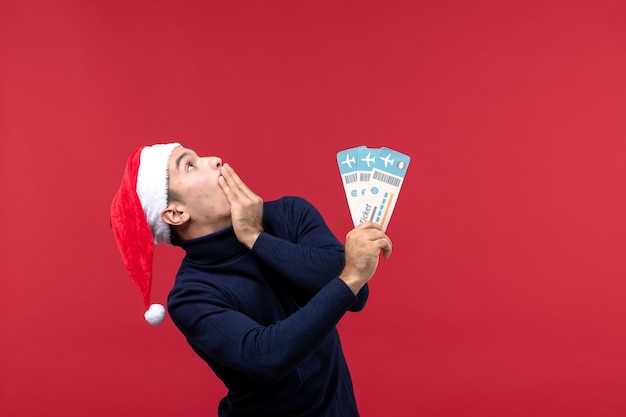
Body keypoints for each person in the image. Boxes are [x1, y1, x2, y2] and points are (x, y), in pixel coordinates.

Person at [110, 142, 392, 417]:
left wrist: (258, 239)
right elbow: (267, 357)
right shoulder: (191, 296)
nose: (215, 160)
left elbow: (356, 295)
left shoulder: (290, 214)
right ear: (176, 213)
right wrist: (349, 276)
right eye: (191, 166)